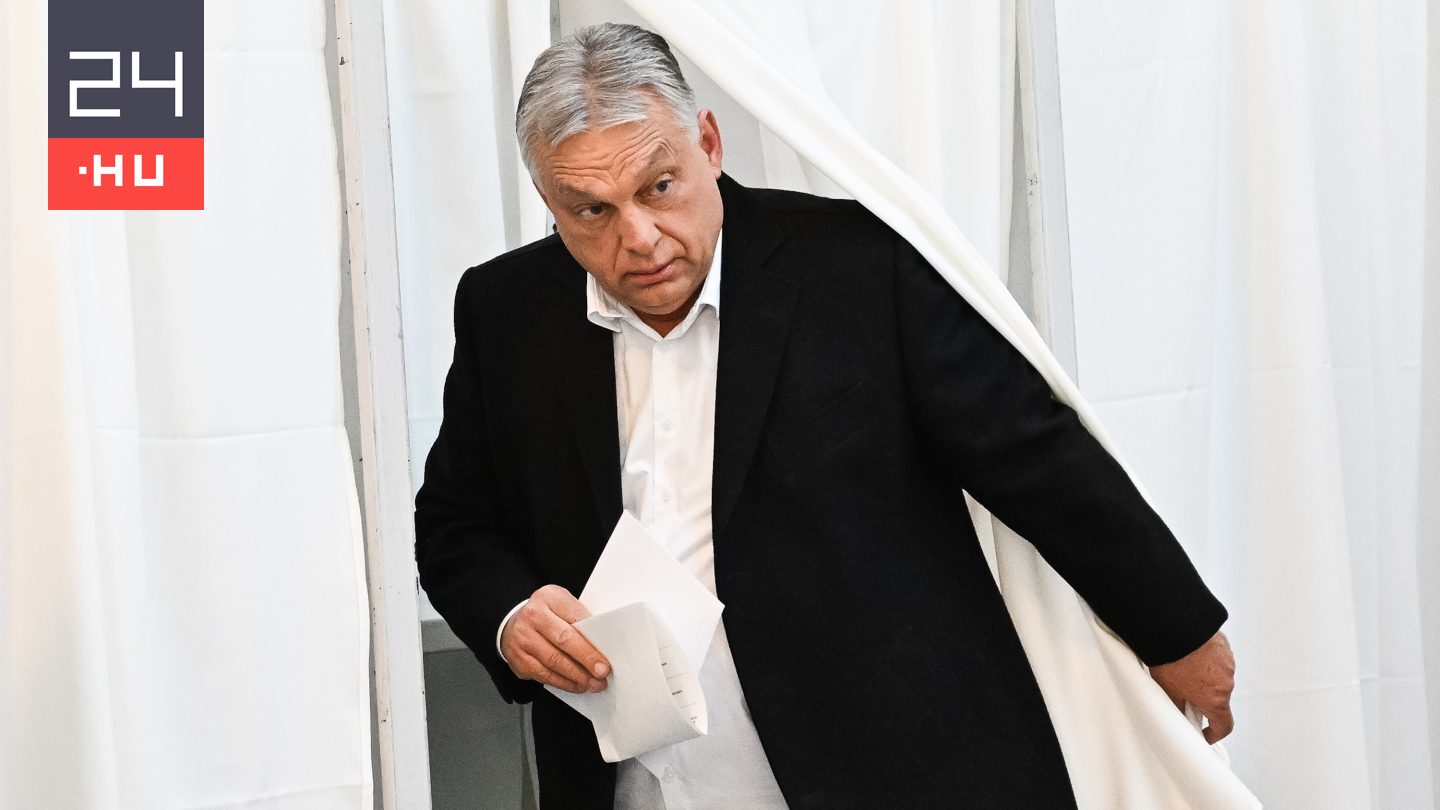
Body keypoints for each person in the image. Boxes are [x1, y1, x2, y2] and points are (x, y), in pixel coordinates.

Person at [415, 22, 1236, 810]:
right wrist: (511, 615)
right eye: (591, 211)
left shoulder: (860, 265)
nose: (640, 237)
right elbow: (454, 524)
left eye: (658, 187)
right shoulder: (506, 310)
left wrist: (1178, 631)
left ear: (708, 144)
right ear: (548, 201)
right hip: (634, 788)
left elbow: (1034, 456)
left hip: (896, 771)